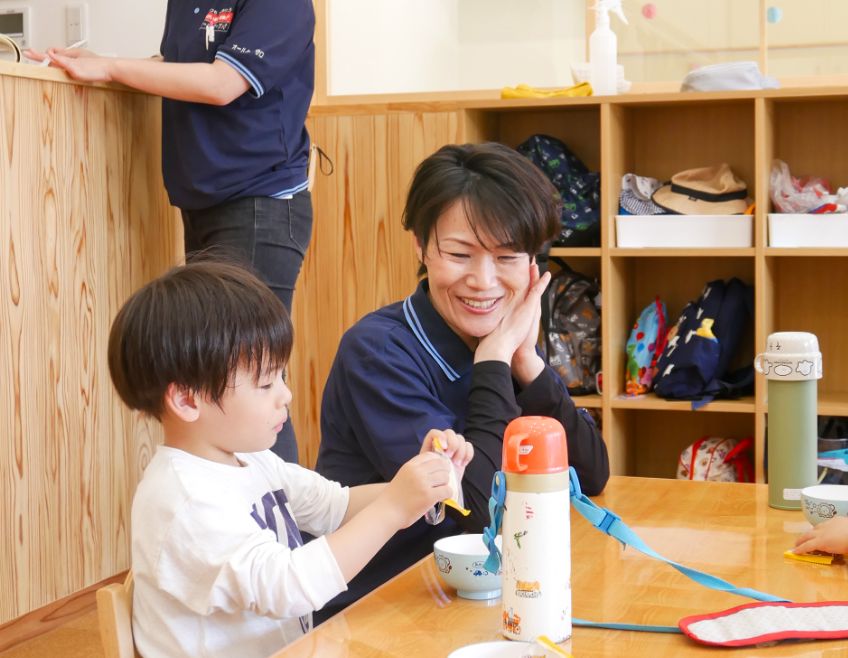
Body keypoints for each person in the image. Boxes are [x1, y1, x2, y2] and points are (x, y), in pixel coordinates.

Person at [107, 259, 473, 658]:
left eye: (282, 376)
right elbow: (292, 588)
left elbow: (336, 505)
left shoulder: (251, 460)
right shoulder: (184, 502)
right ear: (187, 399)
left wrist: (421, 483)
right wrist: (392, 509)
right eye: (266, 383)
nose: (286, 395)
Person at [314, 142, 610, 621]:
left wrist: (527, 363)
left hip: (479, 597)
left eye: (508, 256)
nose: (483, 280)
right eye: (460, 254)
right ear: (421, 247)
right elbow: (473, 510)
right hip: (378, 611)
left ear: (535, 265)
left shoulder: (506, 343)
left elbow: (592, 475)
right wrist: (493, 360)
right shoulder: (377, 350)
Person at [26, 0, 315, 463]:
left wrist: (112, 68)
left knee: (252, 385)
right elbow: (182, 66)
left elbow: (223, 83)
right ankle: (239, 529)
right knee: (223, 384)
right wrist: (105, 66)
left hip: (259, 203)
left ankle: (280, 531)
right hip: (204, 203)